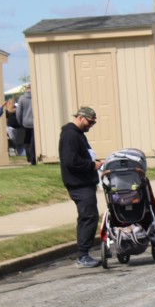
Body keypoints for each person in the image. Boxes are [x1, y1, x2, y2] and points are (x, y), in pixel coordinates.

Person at [59, 107, 104, 268]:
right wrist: (92, 165)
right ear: (80, 118)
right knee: (88, 217)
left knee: (89, 216)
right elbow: (70, 161)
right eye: (90, 122)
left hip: (84, 183)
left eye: (93, 123)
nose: (91, 125)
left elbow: (81, 156)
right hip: (78, 184)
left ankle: (84, 254)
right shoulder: (70, 135)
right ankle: (83, 256)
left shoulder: (78, 134)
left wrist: (95, 163)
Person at [16, 84, 36, 165]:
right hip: (35, 123)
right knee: (33, 142)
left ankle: (29, 158)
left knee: (27, 142)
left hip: (25, 123)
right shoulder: (35, 97)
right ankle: (34, 158)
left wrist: (20, 122)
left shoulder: (21, 98)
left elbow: (18, 112)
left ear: (26, 89)